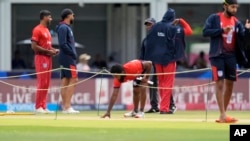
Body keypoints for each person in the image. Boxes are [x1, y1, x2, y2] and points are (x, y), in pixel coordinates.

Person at [203, 0, 250, 123]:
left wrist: (247, 30)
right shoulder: (214, 18)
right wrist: (221, 30)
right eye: (232, 7)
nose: (234, 10)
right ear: (225, 6)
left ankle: (223, 114)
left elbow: (243, 41)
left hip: (231, 57)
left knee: (230, 85)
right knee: (219, 84)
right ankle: (223, 114)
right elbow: (205, 32)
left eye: (236, 7)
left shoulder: (237, 22)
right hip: (217, 55)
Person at [144, 8, 192, 114]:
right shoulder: (173, 28)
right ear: (173, 18)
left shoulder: (155, 26)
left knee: (161, 83)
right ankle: (164, 108)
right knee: (167, 84)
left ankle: (163, 106)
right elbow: (189, 31)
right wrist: (181, 21)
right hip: (169, 59)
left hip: (156, 59)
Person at [31, 10, 59, 113]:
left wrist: (53, 50)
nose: (51, 19)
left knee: (47, 83)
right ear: (44, 17)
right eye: (49, 17)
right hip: (41, 58)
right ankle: (38, 107)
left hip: (48, 58)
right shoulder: (37, 29)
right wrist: (48, 51)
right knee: (42, 82)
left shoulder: (47, 30)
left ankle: (43, 106)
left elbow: (47, 45)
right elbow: (34, 46)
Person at [56, 8, 79, 114]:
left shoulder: (65, 27)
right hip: (67, 57)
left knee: (65, 80)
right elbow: (63, 44)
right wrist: (72, 53)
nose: (73, 17)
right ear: (68, 16)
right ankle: (67, 106)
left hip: (66, 56)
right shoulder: (64, 28)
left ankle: (65, 107)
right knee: (73, 79)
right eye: (73, 15)